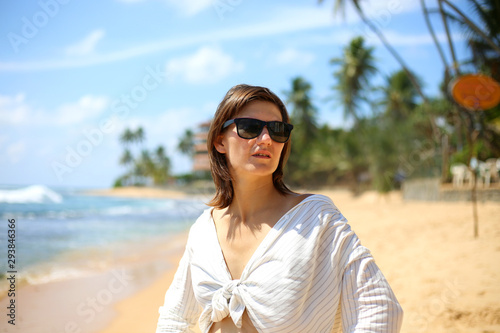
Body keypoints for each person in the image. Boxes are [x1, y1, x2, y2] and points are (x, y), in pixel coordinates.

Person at [156, 84, 403, 333]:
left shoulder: (316, 218)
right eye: (250, 127)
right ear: (220, 141)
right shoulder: (203, 230)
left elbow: (379, 308)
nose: (266, 140)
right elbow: (174, 318)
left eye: (277, 130)